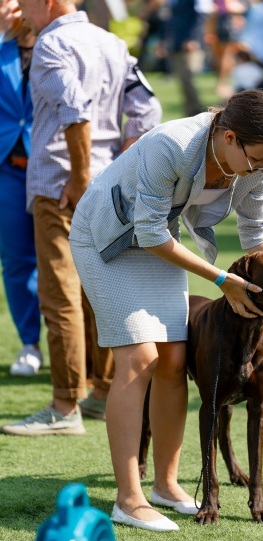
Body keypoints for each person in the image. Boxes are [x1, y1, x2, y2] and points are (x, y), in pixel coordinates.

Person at [66, 88, 263, 531]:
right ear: (229, 138)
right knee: (140, 357)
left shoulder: (254, 160)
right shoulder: (171, 144)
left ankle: (166, 486)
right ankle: (128, 500)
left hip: (158, 245)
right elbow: (149, 231)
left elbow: (257, 228)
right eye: (259, 159)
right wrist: (222, 280)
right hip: (104, 238)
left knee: (172, 358)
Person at [0, 0, 162, 436]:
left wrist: (78, 175)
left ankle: (64, 405)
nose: (22, 10)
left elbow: (75, 111)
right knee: (97, 289)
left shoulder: (52, 44)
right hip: (109, 183)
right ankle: (101, 391)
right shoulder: (111, 42)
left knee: (60, 295)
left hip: (60, 184)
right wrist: (119, 164)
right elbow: (147, 109)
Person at [0, 0, 42, 377]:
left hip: (56, 170)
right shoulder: (2, 47)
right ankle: (30, 343)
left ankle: (80, 347)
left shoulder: (62, 42)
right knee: (16, 261)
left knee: (67, 262)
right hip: (8, 169)